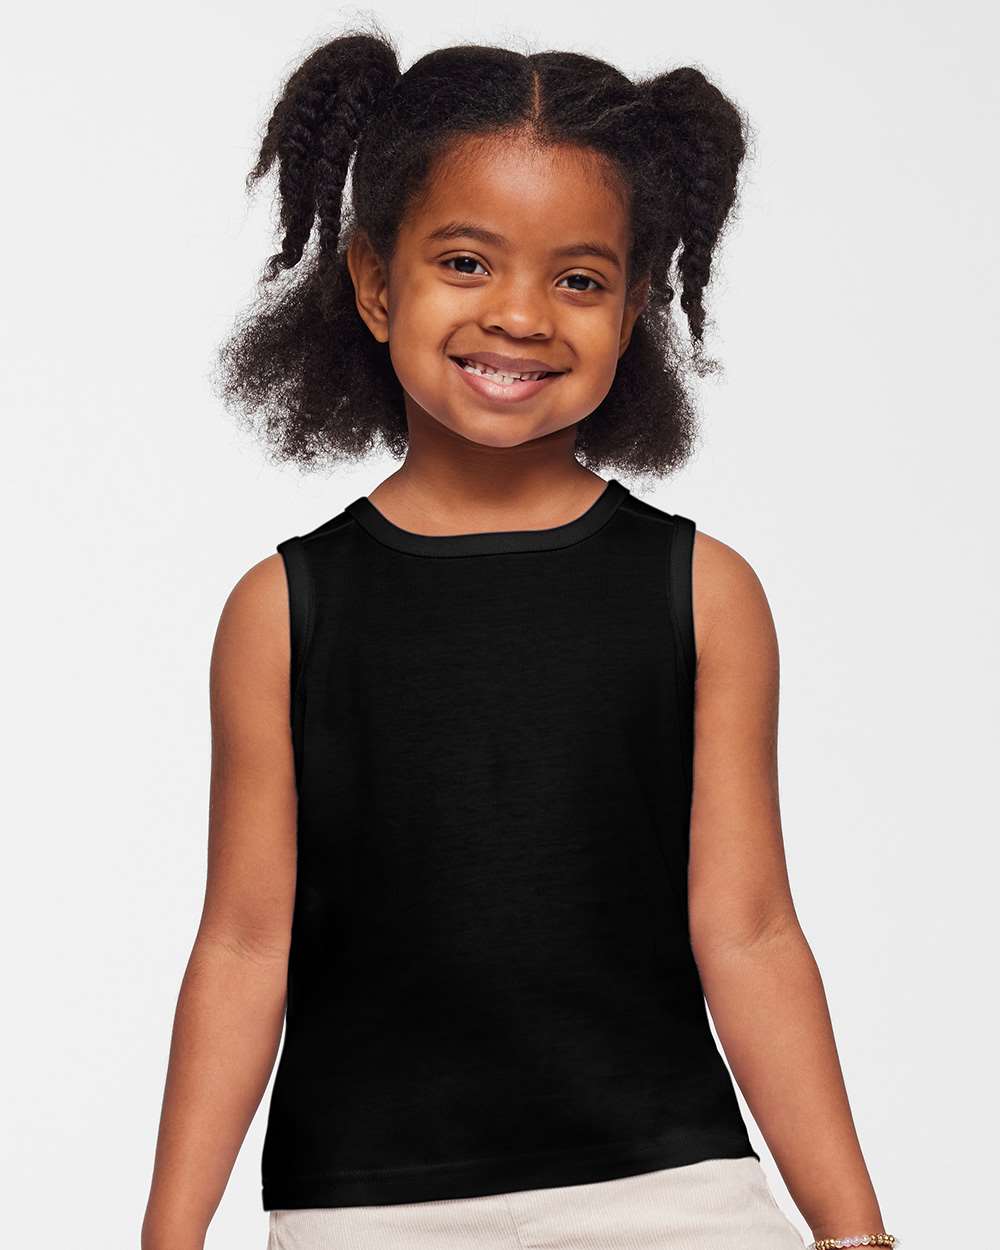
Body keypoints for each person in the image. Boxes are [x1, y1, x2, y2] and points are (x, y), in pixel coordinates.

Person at [141, 23, 898, 1250]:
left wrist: (853, 1231)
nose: (520, 314)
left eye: (579, 279)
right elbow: (241, 940)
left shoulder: (703, 590)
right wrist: (168, 1235)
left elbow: (751, 927)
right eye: (465, 261)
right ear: (375, 281)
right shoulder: (280, 610)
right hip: (361, 1213)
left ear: (636, 306)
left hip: (670, 1197)